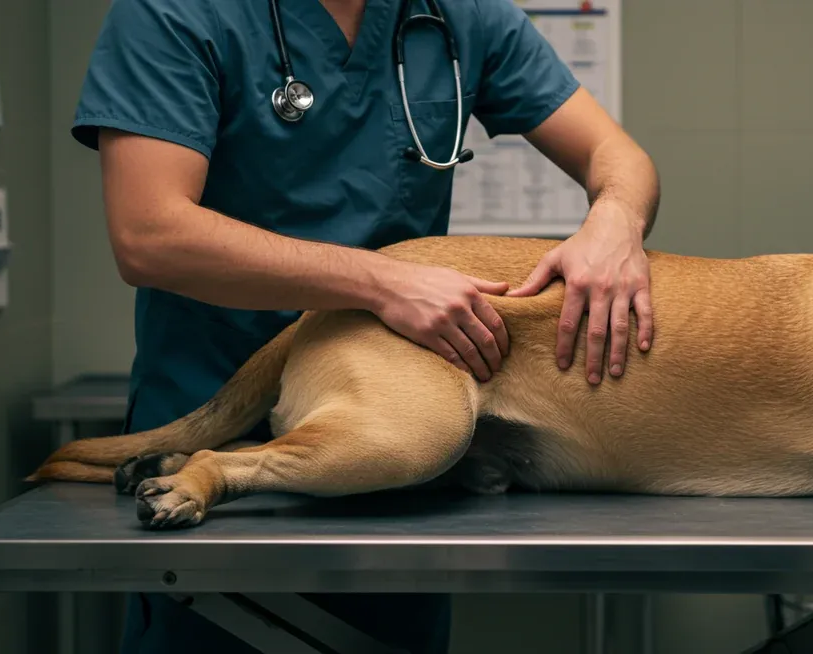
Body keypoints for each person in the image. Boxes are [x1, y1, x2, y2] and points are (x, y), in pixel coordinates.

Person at [69, 0, 660, 651]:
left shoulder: (460, 16)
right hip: (220, 410)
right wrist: (381, 282)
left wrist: (617, 219)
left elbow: (615, 152)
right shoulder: (176, 13)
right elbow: (149, 235)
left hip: (397, 442)